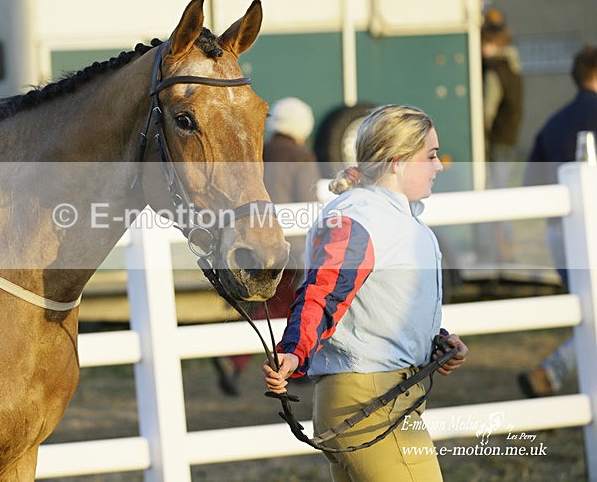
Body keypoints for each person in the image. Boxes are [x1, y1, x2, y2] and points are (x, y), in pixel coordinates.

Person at [262, 104, 469, 481]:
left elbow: (376, 304)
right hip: (369, 401)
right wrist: (293, 351)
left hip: (381, 396)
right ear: (396, 160)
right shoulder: (360, 217)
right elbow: (323, 292)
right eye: (431, 156)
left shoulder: (392, 217)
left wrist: (435, 342)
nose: (439, 166)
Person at [213, 96, 321, 396]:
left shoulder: (259, 152)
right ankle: (255, 361)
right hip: (290, 249)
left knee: (267, 305)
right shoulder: (302, 158)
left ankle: (236, 358)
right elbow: (309, 205)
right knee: (284, 307)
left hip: (255, 242)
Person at [518, 45, 597, 398]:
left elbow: (530, 186)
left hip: (560, 233)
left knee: (588, 313)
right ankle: (550, 373)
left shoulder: (554, 123)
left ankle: (551, 374)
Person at [480, 8, 523, 263]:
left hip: (496, 140)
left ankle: (504, 248)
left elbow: (487, 109)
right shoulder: (514, 68)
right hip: (511, 137)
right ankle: (506, 246)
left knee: (496, 192)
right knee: (503, 190)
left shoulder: (495, 70)